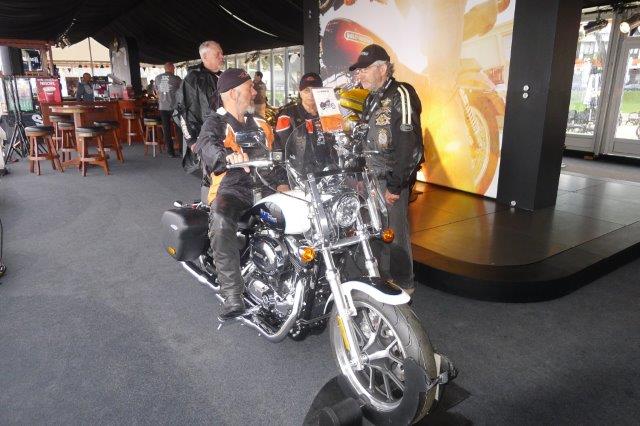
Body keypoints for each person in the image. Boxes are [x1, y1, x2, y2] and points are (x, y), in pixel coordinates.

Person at [192, 68, 286, 321]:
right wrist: (226, 156)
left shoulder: (261, 123)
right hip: (234, 189)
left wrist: (284, 184)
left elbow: (278, 158)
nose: (254, 92)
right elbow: (206, 146)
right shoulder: (216, 122)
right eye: (249, 88)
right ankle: (232, 294)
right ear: (233, 93)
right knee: (221, 219)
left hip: (266, 188)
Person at [349, 44, 423, 295]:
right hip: (370, 179)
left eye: (364, 69)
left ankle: (404, 286)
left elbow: (409, 145)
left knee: (396, 235)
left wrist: (395, 185)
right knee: (376, 233)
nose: (360, 74)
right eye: (358, 70)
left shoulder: (401, 93)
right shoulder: (371, 99)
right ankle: (383, 282)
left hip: (389, 180)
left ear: (382, 69)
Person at [175, 40, 224, 202]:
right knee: (210, 178)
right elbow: (182, 112)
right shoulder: (192, 80)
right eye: (217, 54)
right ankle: (209, 209)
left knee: (227, 179)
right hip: (205, 138)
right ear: (205, 57)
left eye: (221, 53)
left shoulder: (222, 77)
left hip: (226, 137)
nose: (222, 57)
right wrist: (191, 140)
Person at [154, 63, 183, 157]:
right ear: (170, 68)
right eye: (173, 68)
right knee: (179, 129)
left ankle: (170, 152)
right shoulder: (176, 79)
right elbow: (182, 91)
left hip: (162, 107)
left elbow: (157, 92)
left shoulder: (157, 78)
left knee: (166, 130)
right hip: (174, 107)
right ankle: (182, 150)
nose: (174, 69)